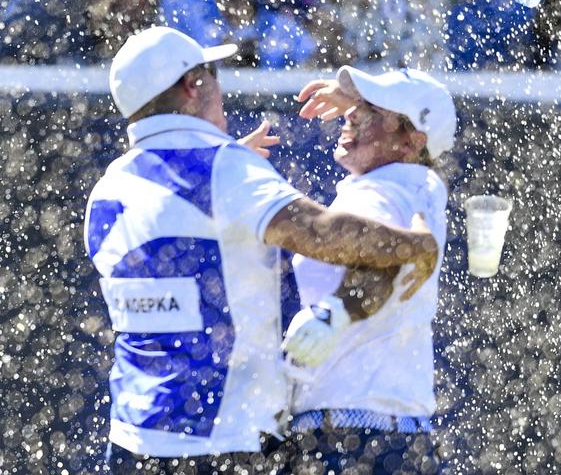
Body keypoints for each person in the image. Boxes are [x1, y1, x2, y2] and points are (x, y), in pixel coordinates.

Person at [83, 26, 439, 473]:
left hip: (131, 438)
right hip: (224, 439)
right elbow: (324, 233)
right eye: (212, 72)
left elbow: (176, 238)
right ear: (194, 85)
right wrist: (416, 245)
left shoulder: (107, 188)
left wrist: (227, 168)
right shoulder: (223, 169)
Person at [281, 65, 457, 474]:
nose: (350, 115)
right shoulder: (417, 184)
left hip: (352, 437)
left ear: (413, 141)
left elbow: (384, 258)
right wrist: (369, 110)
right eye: (356, 106)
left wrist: (336, 313)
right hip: (391, 438)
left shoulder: (386, 187)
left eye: (371, 111)